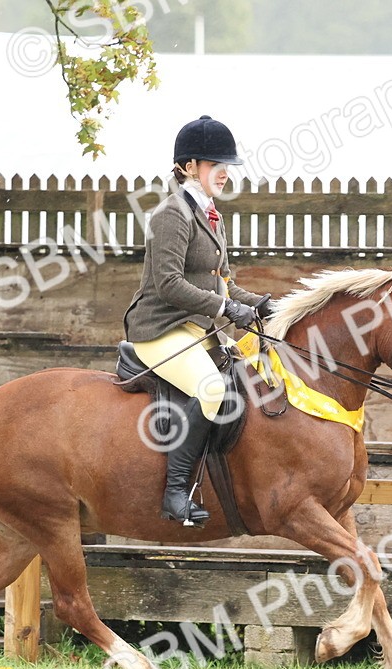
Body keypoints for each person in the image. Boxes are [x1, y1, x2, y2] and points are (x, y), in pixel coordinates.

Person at [122, 115, 270, 527]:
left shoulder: (209, 215)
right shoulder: (172, 215)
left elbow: (223, 284)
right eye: (215, 165)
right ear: (189, 167)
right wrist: (226, 310)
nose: (225, 173)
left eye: (227, 166)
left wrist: (258, 305)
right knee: (211, 390)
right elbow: (168, 284)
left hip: (196, 330)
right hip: (160, 330)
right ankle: (175, 493)